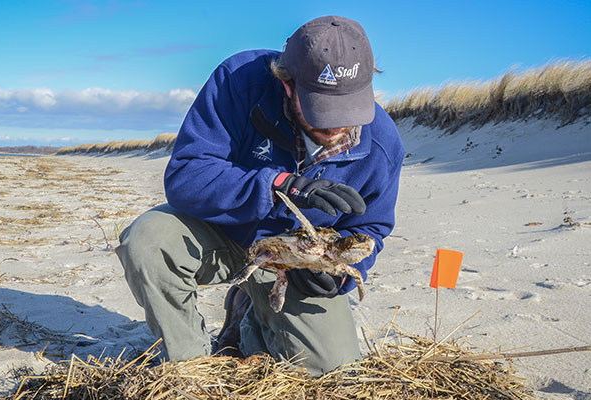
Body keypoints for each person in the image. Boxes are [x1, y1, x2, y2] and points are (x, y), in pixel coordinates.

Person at [116, 15, 404, 376]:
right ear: (287, 84)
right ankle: (191, 365)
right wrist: (278, 185)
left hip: (297, 261)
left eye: (347, 108)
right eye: (321, 109)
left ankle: (246, 319)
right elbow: (186, 177)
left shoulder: (382, 144)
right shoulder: (239, 82)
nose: (335, 126)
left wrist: (342, 275)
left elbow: (372, 228)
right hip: (223, 231)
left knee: (331, 369)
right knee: (147, 241)